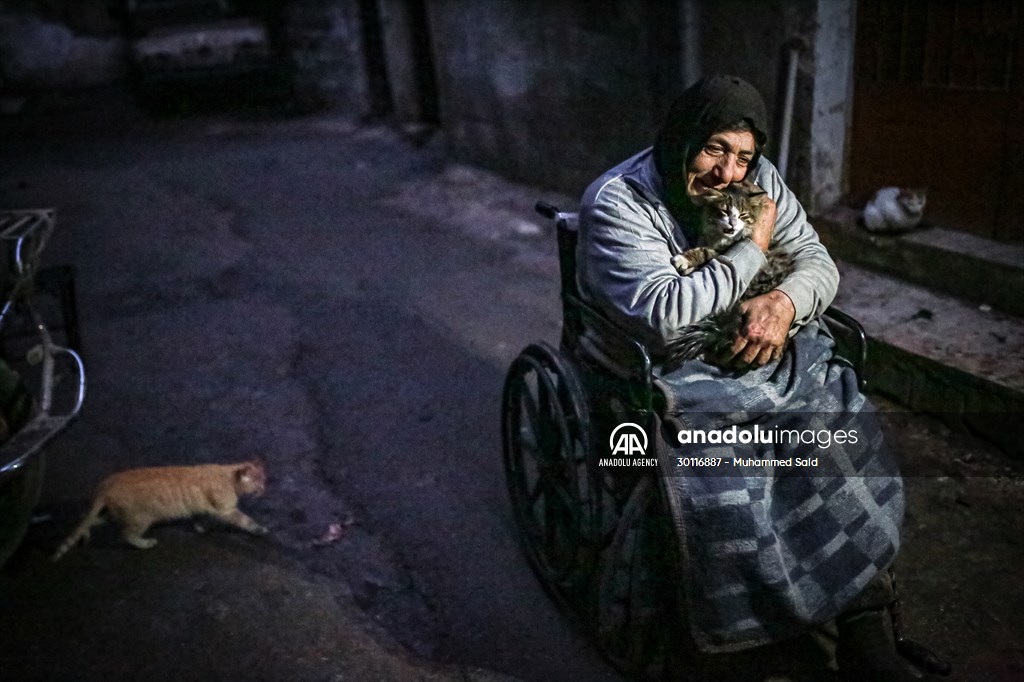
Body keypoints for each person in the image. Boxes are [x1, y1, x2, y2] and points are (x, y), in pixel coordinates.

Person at [576, 75, 941, 681]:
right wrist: (755, 249)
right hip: (669, 359)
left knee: (835, 420)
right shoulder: (618, 201)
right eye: (714, 148)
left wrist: (787, 305)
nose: (728, 172)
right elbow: (666, 319)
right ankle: (745, 632)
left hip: (758, 341)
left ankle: (862, 614)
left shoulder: (761, 180)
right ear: (681, 139)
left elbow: (816, 260)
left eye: (743, 155)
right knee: (726, 457)